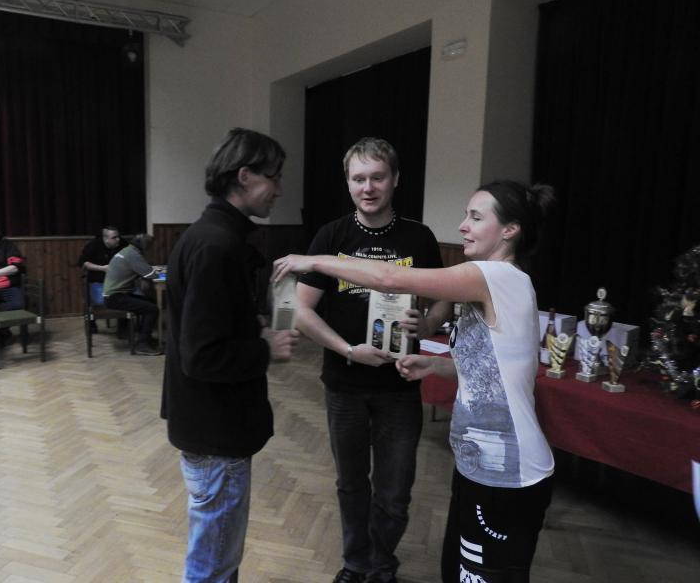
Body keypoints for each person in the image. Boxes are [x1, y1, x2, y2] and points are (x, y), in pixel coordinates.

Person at [273, 179, 557, 583]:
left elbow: (391, 279)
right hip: (479, 465)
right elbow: (497, 369)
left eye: (476, 218)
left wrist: (314, 261)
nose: (463, 226)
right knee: (455, 573)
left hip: (509, 471)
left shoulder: (496, 277)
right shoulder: (497, 282)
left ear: (510, 230)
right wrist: (436, 368)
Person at [286, 137, 450, 583]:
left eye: (377, 177)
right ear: (348, 183)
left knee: (395, 493)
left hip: (400, 385)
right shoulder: (330, 237)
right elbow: (300, 310)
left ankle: (382, 563)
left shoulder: (419, 236)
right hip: (345, 385)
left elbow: (444, 300)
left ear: (395, 179)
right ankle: (357, 564)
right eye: (358, 178)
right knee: (351, 484)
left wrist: (428, 324)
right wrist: (347, 350)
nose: (368, 187)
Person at [161, 127, 300, 583]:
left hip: (210, 426)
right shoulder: (215, 245)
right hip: (215, 431)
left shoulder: (214, 237)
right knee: (212, 569)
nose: (279, 189)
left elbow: (210, 328)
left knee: (217, 560)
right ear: (244, 176)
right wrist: (265, 347)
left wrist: (254, 326)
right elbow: (201, 356)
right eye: (274, 177)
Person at [102, 233, 162, 356]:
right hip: (115, 297)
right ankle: (142, 344)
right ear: (144, 246)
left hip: (113, 295)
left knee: (150, 303)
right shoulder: (133, 255)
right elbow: (151, 274)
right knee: (152, 309)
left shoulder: (127, 251)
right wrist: (152, 272)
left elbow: (143, 271)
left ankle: (145, 338)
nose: (150, 248)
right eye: (149, 246)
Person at [78, 225, 128, 306]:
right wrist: (102, 268)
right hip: (99, 280)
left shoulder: (123, 243)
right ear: (106, 239)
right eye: (114, 238)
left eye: (118, 236)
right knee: (102, 302)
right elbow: (83, 263)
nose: (118, 239)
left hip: (121, 282)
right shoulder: (93, 245)